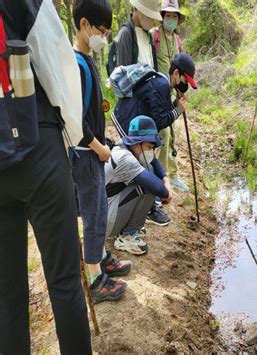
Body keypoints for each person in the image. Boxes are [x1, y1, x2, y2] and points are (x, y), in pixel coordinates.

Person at [0, 1, 91, 353]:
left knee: (6, 294)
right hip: (36, 139)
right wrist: (70, 134)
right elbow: (55, 60)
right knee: (64, 281)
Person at [73, 0, 129, 304]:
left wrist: (104, 141)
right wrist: (98, 147)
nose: (103, 38)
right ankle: (94, 278)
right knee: (93, 212)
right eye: (101, 31)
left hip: (94, 148)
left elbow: (92, 112)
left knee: (99, 205)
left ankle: (101, 256)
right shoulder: (76, 65)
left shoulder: (88, 59)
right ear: (84, 25)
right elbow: (73, 120)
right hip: (84, 153)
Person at [113, 52, 197, 226]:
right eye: (185, 80)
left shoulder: (163, 84)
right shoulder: (161, 85)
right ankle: (149, 210)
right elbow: (159, 121)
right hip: (127, 122)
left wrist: (174, 106)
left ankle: (146, 204)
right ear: (175, 74)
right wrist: (178, 111)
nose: (185, 84)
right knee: (142, 163)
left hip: (131, 120)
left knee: (146, 161)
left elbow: (159, 111)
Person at [105, 115, 172, 254]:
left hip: (107, 208)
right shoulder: (126, 159)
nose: (151, 151)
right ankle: (127, 236)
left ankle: (128, 227)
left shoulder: (126, 146)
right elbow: (158, 188)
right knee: (147, 186)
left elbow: (154, 162)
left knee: (148, 177)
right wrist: (166, 193)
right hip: (104, 221)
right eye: (149, 146)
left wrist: (166, 180)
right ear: (137, 143)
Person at [152, 0, 188, 192]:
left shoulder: (177, 40)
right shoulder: (154, 35)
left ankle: (173, 175)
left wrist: (182, 88)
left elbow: (182, 63)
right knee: (163, 132)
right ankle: (163, 174)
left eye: (175, 16)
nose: (171, 19)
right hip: (158, 90)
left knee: (173, 132)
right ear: (162, 17)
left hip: (173, 89)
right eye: (168, 16)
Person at [106, 0, 162, 75]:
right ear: (138, 9)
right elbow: (123, 76)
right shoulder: (126, 33)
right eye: (149, 16)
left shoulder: (147, 34)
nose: (153, 20)